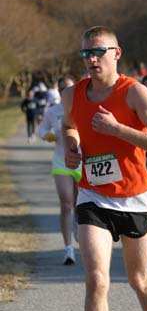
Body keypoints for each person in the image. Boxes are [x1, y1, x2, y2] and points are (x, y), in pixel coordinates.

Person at [61, 25, 147, 311]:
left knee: (139, 279)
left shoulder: (134, 92)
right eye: (86, 53)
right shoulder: (72, 94)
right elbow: (69, 126)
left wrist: (118, 130)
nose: (92, 59)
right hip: (93, 196)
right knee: (97, 279)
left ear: (117, 53)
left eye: (99, 51)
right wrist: (73, 147)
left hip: (135, 196)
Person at [39, 75, 82, 265]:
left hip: (83, 162)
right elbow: (41, 129)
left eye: (69, 88)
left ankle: (79, 228)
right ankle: (68, 249)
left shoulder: (83, 107)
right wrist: (47, 135)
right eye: (62, 88)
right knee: (66, 203)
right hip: (61, 161)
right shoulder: (53, 111)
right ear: (58, 91)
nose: (65, 91)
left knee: (81, 205)